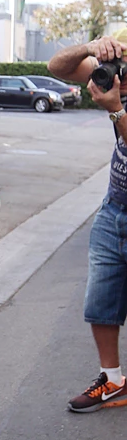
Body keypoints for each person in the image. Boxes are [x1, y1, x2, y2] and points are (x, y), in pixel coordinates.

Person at [49, 30, 127, 412]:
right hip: (115, 208)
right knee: (102, 300)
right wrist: (91, 48)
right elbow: (57, 66)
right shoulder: (116, 74)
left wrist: (116, 111)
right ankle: (112, 381)